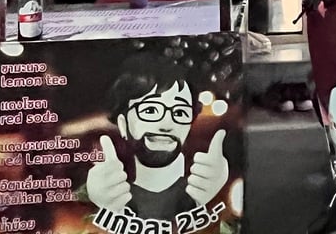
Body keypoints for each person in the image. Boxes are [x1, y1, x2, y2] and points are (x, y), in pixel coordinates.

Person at [85, 52, 229, 221]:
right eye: (151, 110)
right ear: (123, 124)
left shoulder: (205, 191)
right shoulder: (107, 193)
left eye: (179, 112)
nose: (166, 124)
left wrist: (213, 198)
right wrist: (99, 206)